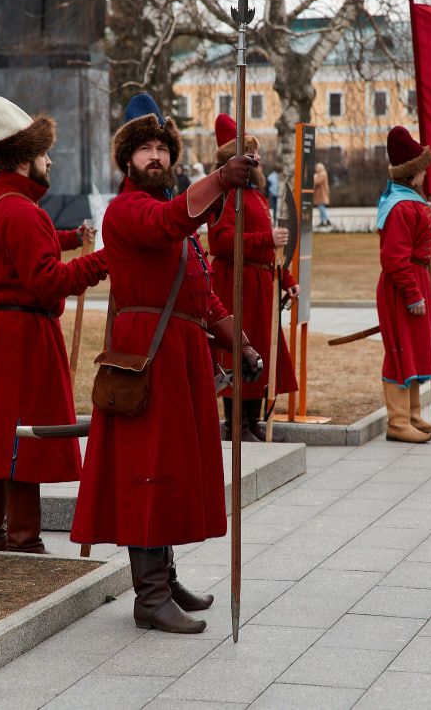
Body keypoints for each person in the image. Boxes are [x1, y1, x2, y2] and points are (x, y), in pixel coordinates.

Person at [71, 93, 261, 634]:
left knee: (170, 471)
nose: (155, 157)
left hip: (179, 356)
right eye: (144, 149)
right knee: (146, 474)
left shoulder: (173, 215)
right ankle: (149, 597)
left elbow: (204, 297)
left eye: (162, 148)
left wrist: (241, 343)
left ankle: (166, 577)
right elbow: (169, 221)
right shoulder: (129, 210)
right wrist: (223, 179)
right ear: (127, 160)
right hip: (145, 355)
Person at [0, 97, 107, 552]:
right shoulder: (20, 210)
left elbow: (24, 252)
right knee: (20, 439)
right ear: (23, 159)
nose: (49, 161)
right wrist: (103, 260)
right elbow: (45, 279)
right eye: (42, 154)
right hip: (18, 338)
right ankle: (23, 540)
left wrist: (69, 239)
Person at [207, 114, 299, 442]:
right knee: (238, 349)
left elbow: (268, 245)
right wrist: (265, 241)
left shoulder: (256, 193)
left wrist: (287, 279)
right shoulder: (224, 193)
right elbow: (219, 241)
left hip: (260, 284)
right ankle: (236, 425)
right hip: (236, 284)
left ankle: (253, 421)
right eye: (250, 155)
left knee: (261, 350)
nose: (257, 161)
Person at [376, 126, 431, 444]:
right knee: (400, 349)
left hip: (417, 280)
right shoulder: (402, 207)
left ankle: (414, 416)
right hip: (401, 286)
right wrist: (413, 292)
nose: (426, 174)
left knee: (416, 348)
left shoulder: (412, 201)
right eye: (423, 169)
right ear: (413, 173)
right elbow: (393, 259)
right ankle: (398, 421)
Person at [314, 161, 332, 228]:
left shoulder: (322, 174)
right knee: (320, 207)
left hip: (322, 193)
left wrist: (314, 177)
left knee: (321, 207)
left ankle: (327, 220)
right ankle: (323, 221)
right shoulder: (320, 174)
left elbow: (318, 182)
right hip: (320, 193)